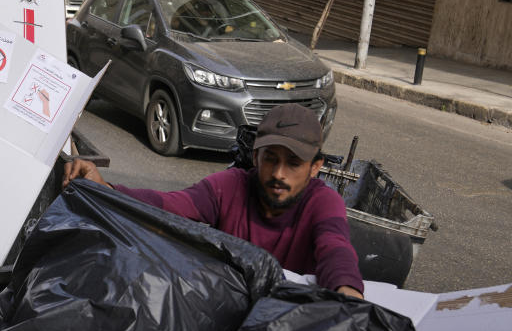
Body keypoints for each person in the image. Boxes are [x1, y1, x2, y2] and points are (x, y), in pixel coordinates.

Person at [63, 104, 365, 298]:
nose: (279, 174)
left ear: (315, 167)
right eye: (270, 159)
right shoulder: (229, 187)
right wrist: (107, 189)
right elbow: (170, 205)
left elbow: (335, 247)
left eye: (294, 164)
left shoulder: (323, 202)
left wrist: (348, 294)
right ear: (255, 156)